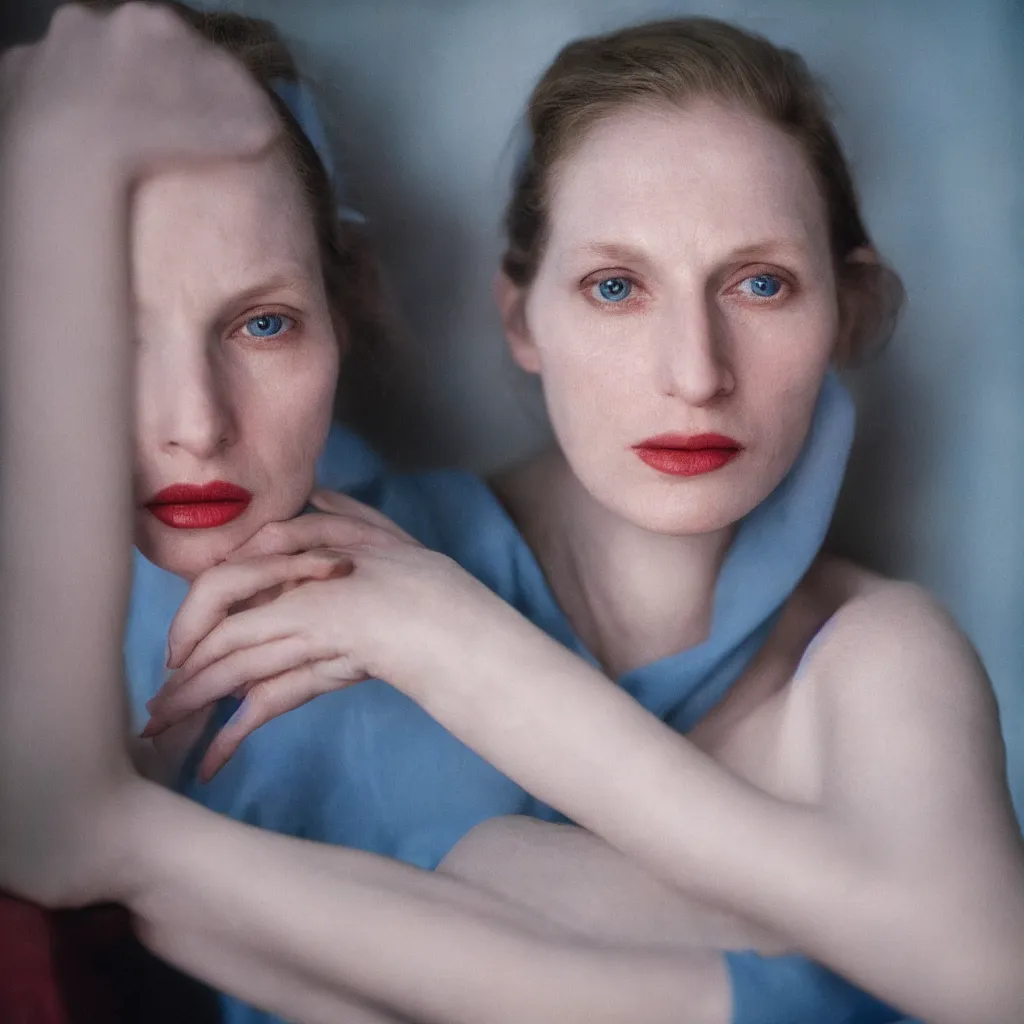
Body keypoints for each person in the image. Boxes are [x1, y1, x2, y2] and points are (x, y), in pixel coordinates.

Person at [2, 5, 1022, 1024]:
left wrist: (465, 647)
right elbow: (66, 824)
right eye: (615, 286)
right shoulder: (290, 600)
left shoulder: (875, 657)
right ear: (518, 315)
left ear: (843, 310)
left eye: (761, 284)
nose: (695, 375)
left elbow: (988, 977)